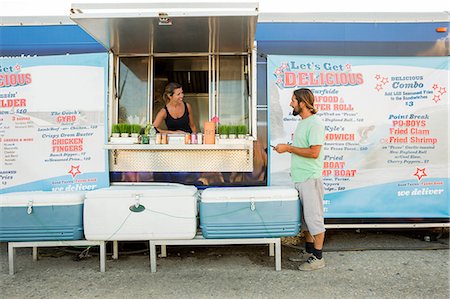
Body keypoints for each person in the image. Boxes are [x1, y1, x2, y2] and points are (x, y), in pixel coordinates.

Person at [274, 88, 326, 271]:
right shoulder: (303, 122)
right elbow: (303, 148)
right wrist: (287, 147)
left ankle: (318, 258)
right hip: (300, 178)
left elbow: (314, 152)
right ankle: (310, 252)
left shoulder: (315, 124)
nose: (291, 103)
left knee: (314, 219)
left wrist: (288, 149)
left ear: (303, 103)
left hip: (310, 178)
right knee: (305, 220)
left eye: (293, 100)